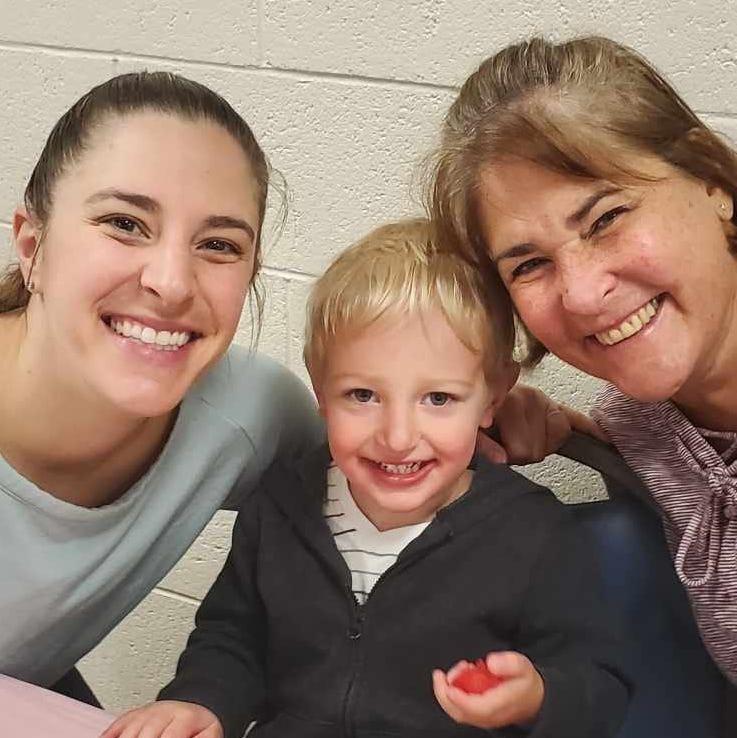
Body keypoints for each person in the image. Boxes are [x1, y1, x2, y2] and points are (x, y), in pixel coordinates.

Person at [102, 219, 629, 738]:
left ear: (492, 396)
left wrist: (537, 697)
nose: (397, 437)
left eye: (438, 398)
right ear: (320, 390)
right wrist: (201, 701)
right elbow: (232, 636)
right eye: (362, 395)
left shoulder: (535, 534)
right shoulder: (281, 502)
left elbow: (599, 688)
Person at [0, 71, 322, 693]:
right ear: (33, 246)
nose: (171, 283)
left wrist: (478, 411)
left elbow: (387, 486)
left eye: (219, 244)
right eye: (124, 224)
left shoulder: (252, 413)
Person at [429, 35, 737, 686]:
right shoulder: (643, 427)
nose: (582, 294)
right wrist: (563, 432)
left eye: (605, 219)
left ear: (713, 182)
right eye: (529, 265)